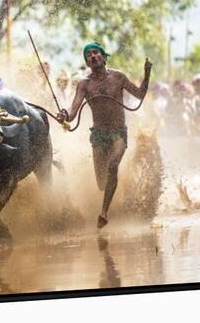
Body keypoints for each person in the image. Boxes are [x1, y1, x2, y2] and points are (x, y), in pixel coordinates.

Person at [56, 42, 151, 228]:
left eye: (96, 53)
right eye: (88, 55)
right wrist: (64, 115)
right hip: (99, 135)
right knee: (101, 183)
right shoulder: (84, 85)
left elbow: (140, 94)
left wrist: (147, 74)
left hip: (118, 133)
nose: (93, 56)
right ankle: (108, 199)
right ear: (87, 63)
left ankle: (104, 213)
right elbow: (73, 111)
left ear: (104, 57)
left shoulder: (118, 77)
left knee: (113, 166)